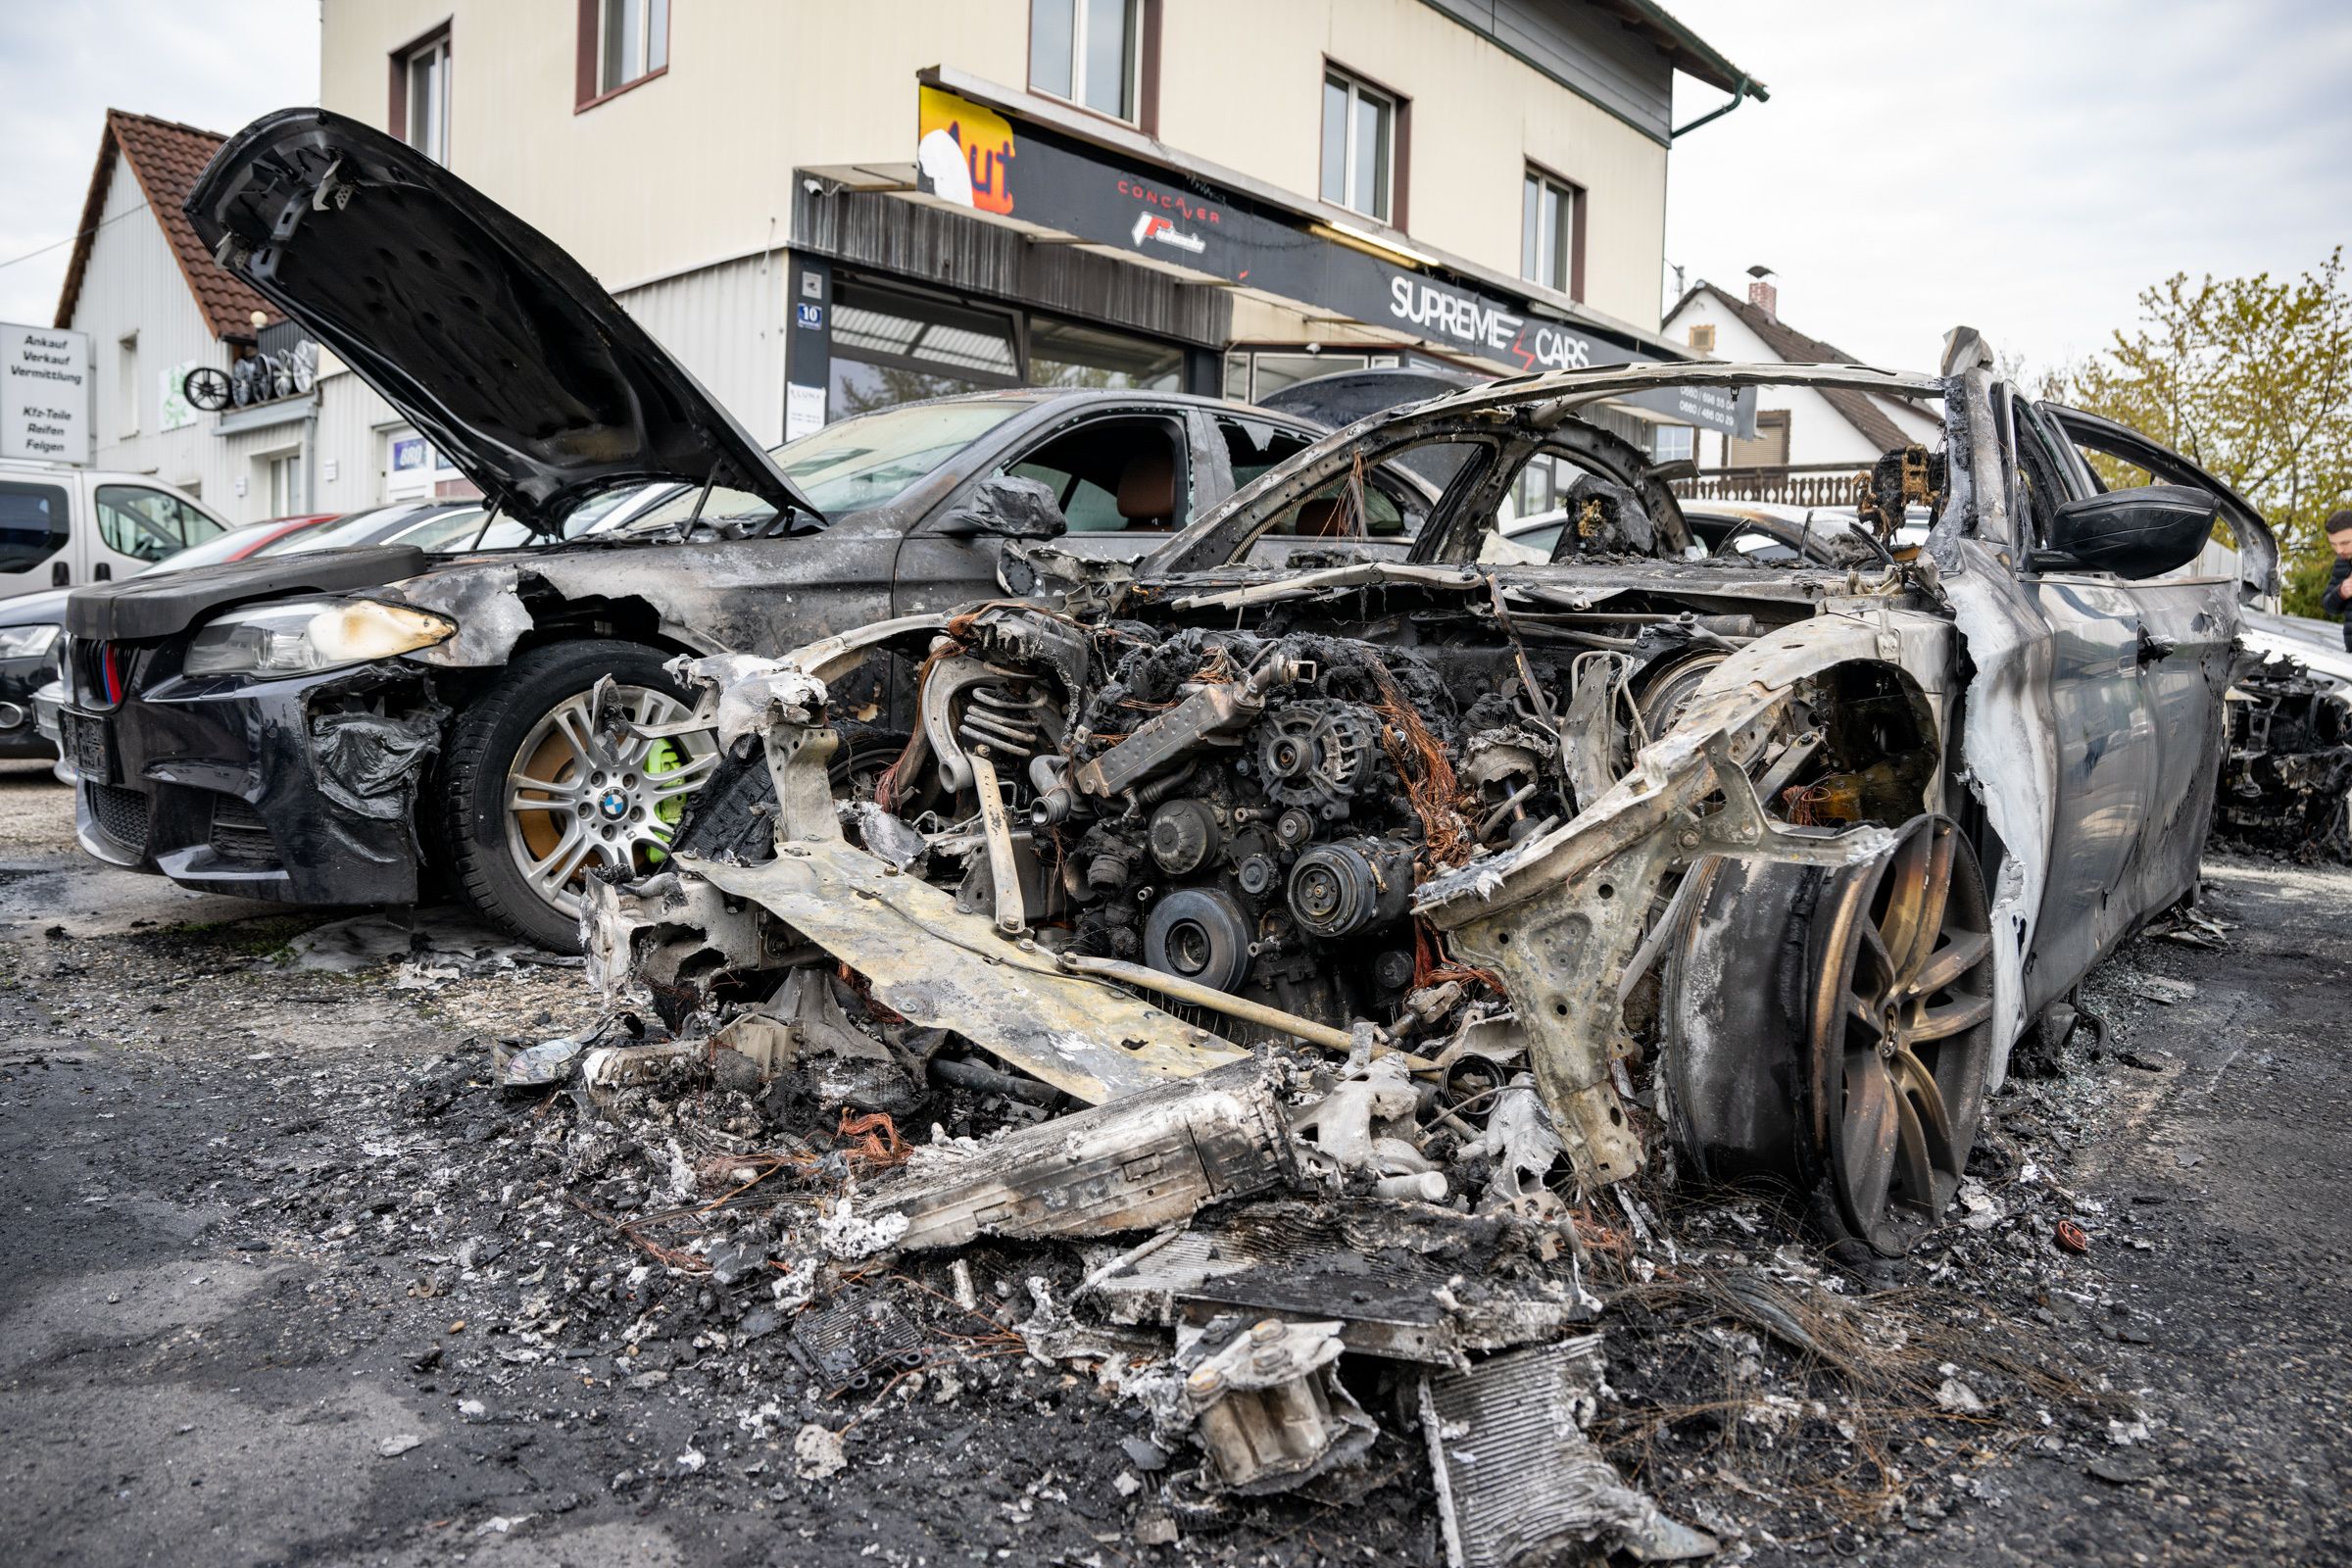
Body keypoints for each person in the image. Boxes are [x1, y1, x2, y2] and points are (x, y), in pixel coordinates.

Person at [2324, 511, 2352, 652]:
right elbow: (2329, 606)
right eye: (2333, 544)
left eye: (2345, 543)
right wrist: (2341, 592)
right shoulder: (2342, 562)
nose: (2339, 550)